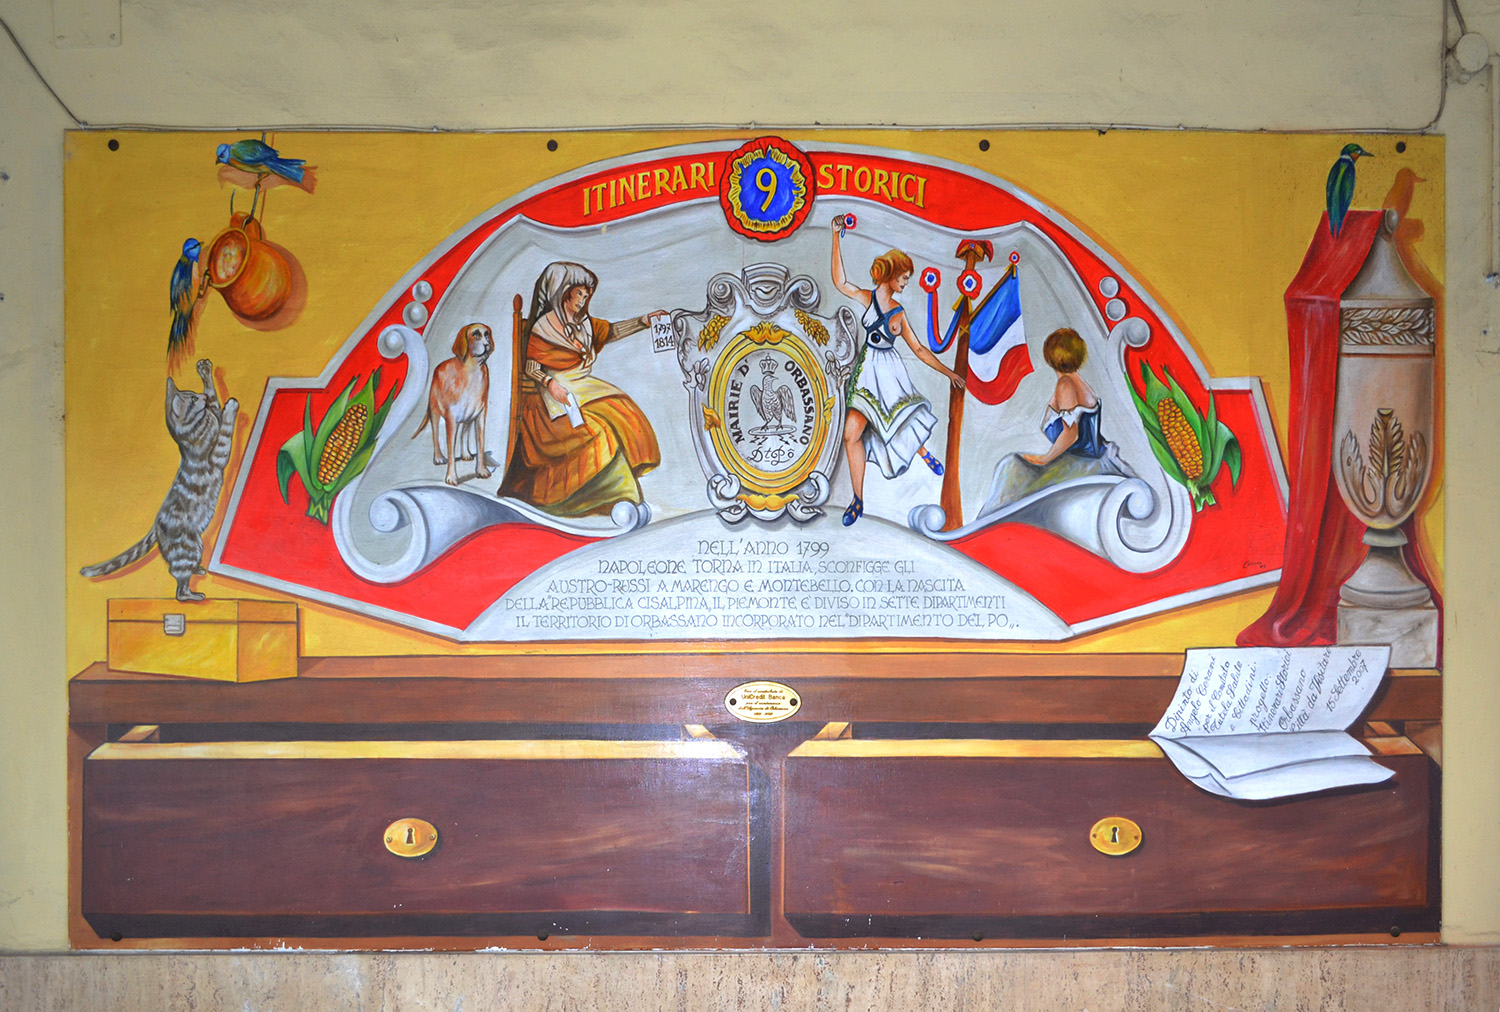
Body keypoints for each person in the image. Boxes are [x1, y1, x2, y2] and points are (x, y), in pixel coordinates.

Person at [498, 261, 660, 516]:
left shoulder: (583, 323)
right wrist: (550, 384)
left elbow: (611, 332)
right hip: (551, 395)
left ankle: (619, 496)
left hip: (582, 384)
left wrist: (643, 321)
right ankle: (594, 499)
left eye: (587, 295)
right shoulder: (544, 327)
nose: (583, 301)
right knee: (599, 431)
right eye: (579, 295)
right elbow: (531, 368)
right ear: (563, 294)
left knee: (623, 411)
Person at [830, 218, 964, 526]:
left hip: (888, 374)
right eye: (903, 278)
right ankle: (857, 500)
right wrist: (835, 236)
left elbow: (919, 349)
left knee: (897, 421)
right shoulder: (867, 298)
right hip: (866, 374)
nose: (905, 283)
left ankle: (922, 451)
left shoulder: (899, 314)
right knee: (852, 434)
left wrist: (948, 373)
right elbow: (840, 282)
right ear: (890, 275)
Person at [977, 326, 1134, 516]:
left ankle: (990, 521)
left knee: (1012, 466)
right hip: (1091, 459)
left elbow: (1071, 433)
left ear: (1051, 356)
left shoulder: (1065, 385)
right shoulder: (1077, 381)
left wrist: (1045, 458)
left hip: (1078, 463)